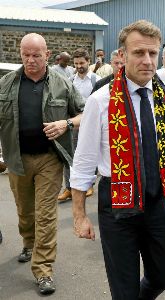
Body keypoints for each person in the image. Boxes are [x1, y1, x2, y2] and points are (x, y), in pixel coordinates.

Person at [70, 20, 165, 300]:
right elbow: (84, 160)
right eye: (139, 53)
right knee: (123, 289)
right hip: (118, 205)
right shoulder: (101, 101)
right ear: (122, 56)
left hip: (161, 201)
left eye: (153, 53)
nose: (148, 61)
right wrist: (79, 216)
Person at [0, 33, 84, 295]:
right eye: (26, 54)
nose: (30, 60)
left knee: (45, 214)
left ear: (47, 55)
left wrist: (66, 123)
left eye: (36, 55)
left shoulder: (63, 84)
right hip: (17, 158)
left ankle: (44, 269)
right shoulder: (6, 84)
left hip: (49, 158)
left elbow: (85, 113)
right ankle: (29, 242)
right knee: (25, 211)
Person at [58, 48, 100, 201]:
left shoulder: (96, 80)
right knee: (70, 155)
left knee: (91, 154)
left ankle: (88, 184)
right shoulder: (70, 81)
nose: (79, 66)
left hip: (92, 124)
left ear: (89, 62)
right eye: (76, 63)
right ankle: (69, 188)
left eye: (82, 63)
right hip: (74, 123)